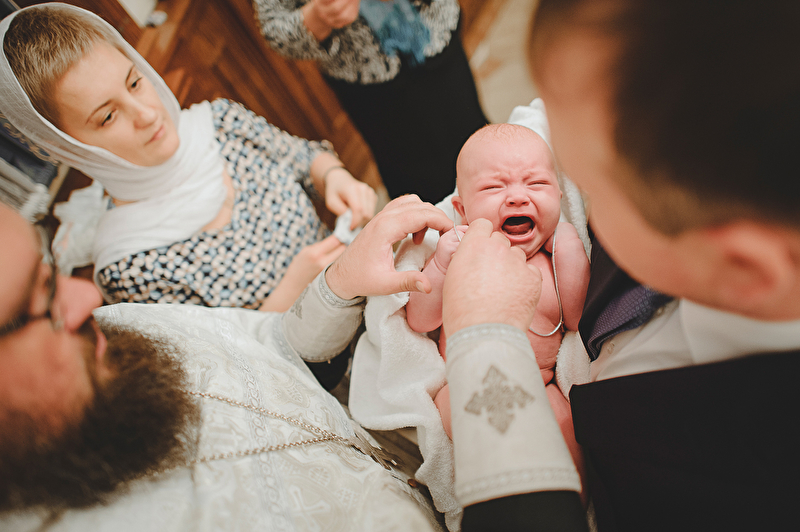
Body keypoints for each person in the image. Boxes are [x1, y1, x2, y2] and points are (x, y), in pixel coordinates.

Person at [436, 0, 800, 530]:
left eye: (587, 188)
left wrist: (484, 339)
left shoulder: (735, 492)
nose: (574, 196)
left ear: (744, 268)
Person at [0, 191, 456, 529]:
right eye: (42, 301)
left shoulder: (115, 323)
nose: (88, 296)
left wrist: (338, 285)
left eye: (50, 271)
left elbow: (265, 347)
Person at [0, 3, 377, 313]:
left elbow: (302, 156)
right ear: (70, 146)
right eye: (108, 116)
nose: (147, 114)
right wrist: (295, 290)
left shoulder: (220, 120)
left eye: (135, 82)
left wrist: (334, 176)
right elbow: (227, 365)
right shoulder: (129, 268)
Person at [405, 123, 589, 483]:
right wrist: (440, 267)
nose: (518, 197)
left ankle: (570, 502)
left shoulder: (553, 259)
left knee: (566, 428)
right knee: (456, 407)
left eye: (536, 183)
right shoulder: (463, 256)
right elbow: (419, 322)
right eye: (494, 187)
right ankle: (493, 477)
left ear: (559, 196)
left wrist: (570, 251)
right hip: (468, 381)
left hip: (539, 382)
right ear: (462, 210)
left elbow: (578, 319)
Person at [253, 0, 488, 204]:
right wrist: (319, 17)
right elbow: (275, 30)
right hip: (367, 86)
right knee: (416, 186)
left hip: (438, 40)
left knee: (481, 149)